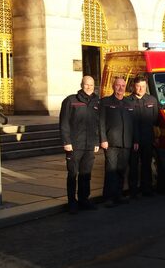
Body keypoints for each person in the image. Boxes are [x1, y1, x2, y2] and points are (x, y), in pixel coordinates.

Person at [59, 75, 100, 214]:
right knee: (72, 174)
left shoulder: (96, 101)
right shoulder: (71, 101)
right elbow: (64, 122)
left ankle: (84, 199)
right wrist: (66, 142)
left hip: (89, 145)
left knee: (86, 174)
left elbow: (97, 123)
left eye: (91, 85)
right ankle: (72, 202)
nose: (89, 87)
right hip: (74, 145)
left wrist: (96, 142)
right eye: (86, 84)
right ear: (81, 84)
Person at [100, 77, 138, 206]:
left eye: (123, 85)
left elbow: (134, 123)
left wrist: (135, 140)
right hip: (111, 142)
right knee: (111, 170)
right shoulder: (105, 102)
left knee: (122, 170)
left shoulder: (129, 103)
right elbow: (101, 122)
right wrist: (103, 139)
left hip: (126, 142)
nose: (121, 88)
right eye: (118, 85)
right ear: (113, 86)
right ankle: (108, 197)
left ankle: (119, 195)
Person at [128, 75, 159, 198]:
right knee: (133, 166)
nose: (140, 89)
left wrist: (155, 137)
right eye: (138, 86)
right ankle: (133, 191)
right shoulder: (127, 101)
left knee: (146, 165)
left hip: (147, 138)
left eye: (143, 86)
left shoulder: (152, 100)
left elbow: (155, 119)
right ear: (133, 87)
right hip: (133, 139)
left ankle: (147, 189)